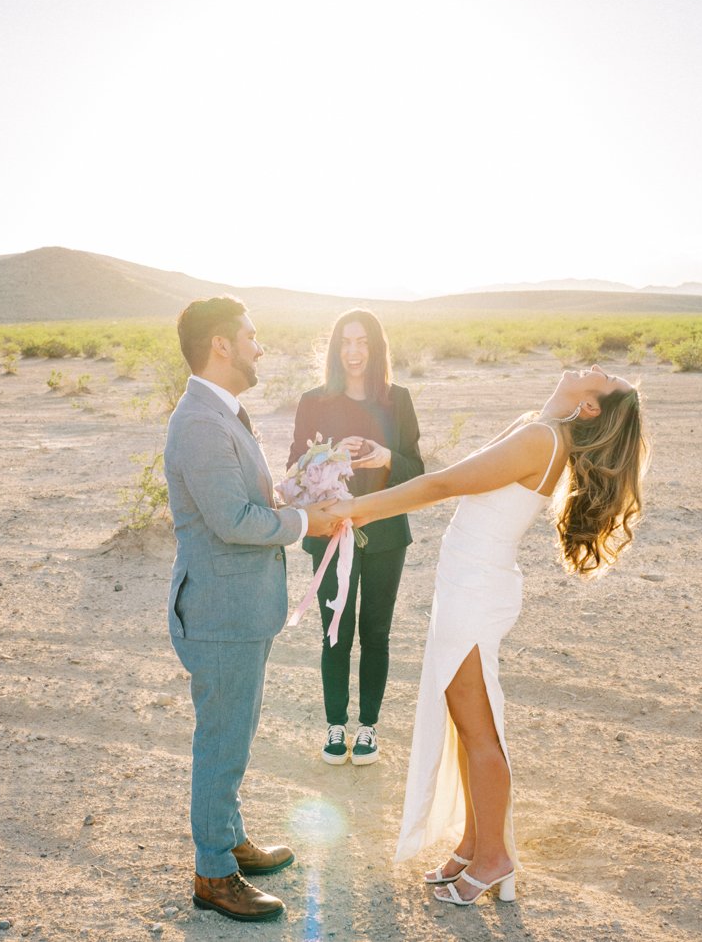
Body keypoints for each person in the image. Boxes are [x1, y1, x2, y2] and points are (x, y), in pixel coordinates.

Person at [328, 365, 647, 905]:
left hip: (475, 592)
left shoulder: (541, 438)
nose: (596, 366)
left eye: (605, 377)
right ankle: (474, 842)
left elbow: (444, 484)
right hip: (468, 585)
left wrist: (354, 511)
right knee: (464, 721)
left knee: (478, 729)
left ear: (590, 406)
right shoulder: (541, 428)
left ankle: (495, 856)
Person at [164, 296, 339, 923]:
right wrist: (304, 520)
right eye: (252, 336)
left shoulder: (223, 414)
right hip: (218, 613)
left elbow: (249, 498)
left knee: (234, 734)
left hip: (239, 608)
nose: (259, 347)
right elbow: (233, 521)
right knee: (221, 740)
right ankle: (213, 873)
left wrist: (299, 484)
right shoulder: (201, 424)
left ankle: (229, 836)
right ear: (221, 345)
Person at [288, 310, 424, 767]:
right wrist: (326, 455)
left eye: (362, 342)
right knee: (335, 633)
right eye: (346, 342)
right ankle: (335, 725)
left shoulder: (398, 400)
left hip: (386, 535)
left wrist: (386, 456)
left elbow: (417, 473)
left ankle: (367, 727)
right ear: (334, 348)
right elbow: (294, 470)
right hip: (331, 533)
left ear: (376, 347)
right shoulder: (314, 402)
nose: (353, 351)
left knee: (376, 632)